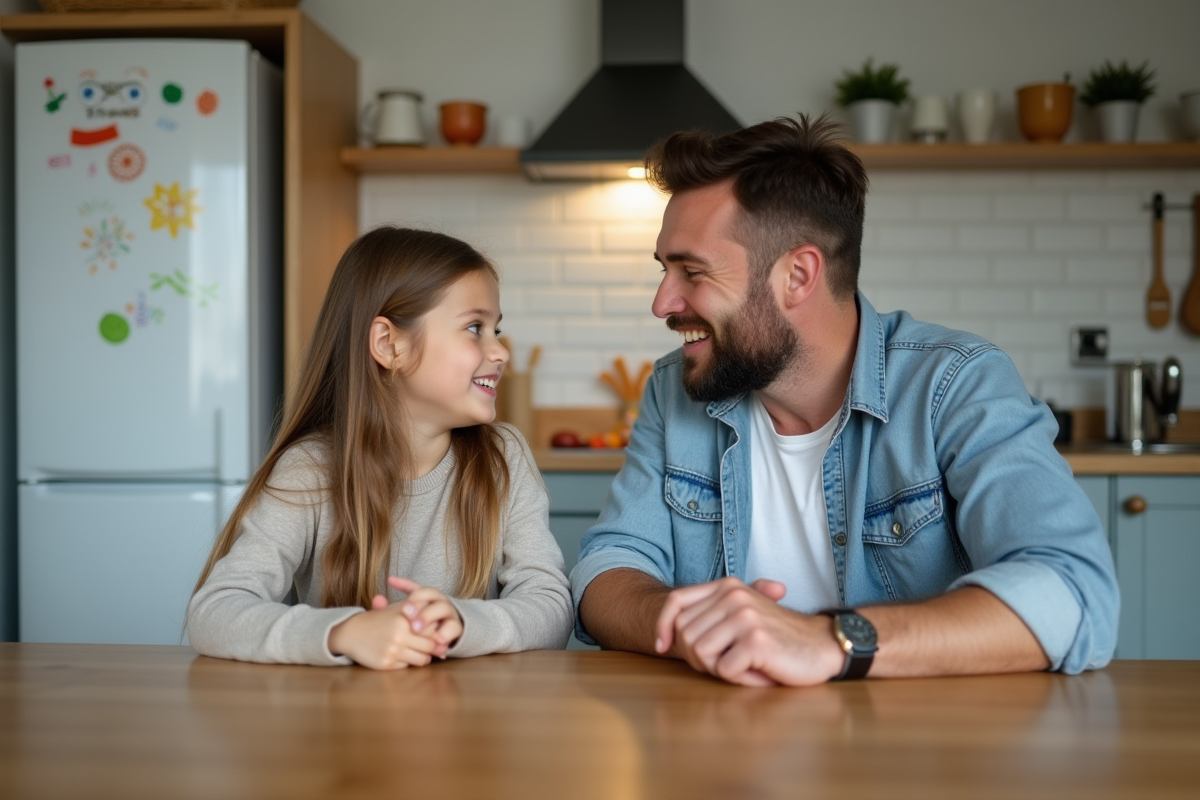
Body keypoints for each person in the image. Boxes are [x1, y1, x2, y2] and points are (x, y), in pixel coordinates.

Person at [571, 114, 1118, 686]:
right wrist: (684, 623)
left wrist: (827, 640)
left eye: (692, 271)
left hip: (920, 754)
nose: (663, 303)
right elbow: (607, 569)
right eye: (664, 270)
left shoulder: (954, 384)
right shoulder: (673, 390)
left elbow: (1072, 590)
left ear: (798, 275)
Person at [188, 227, 573, 668]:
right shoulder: (310, 470)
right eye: (474, 328)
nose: (500, 351)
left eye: (495, 329)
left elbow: (551, 605)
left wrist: (464, 623)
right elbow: (214, 611)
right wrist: (345, 633)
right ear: (389, 345)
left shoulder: (505, 457)